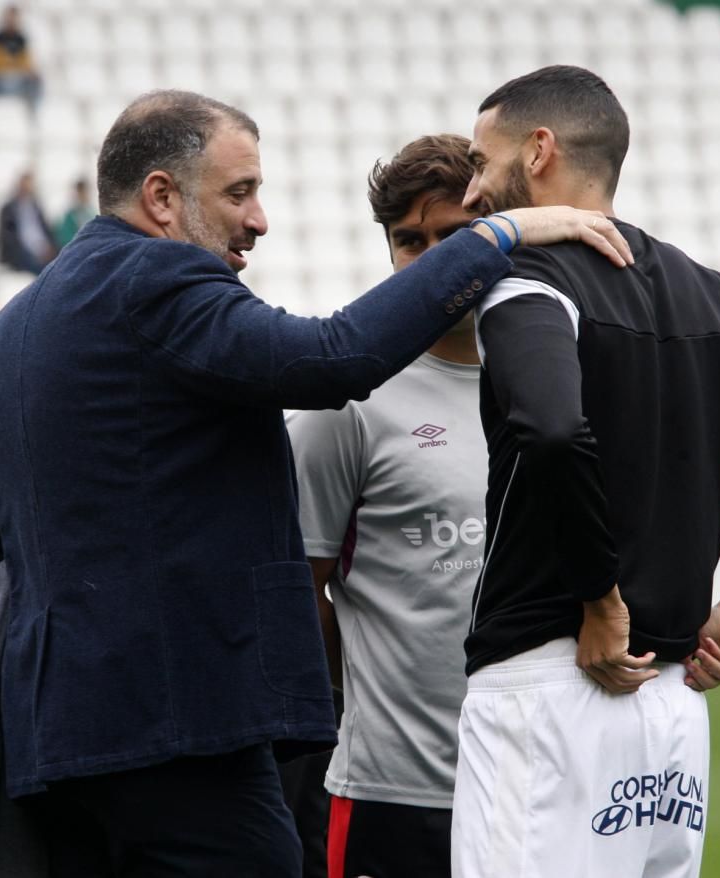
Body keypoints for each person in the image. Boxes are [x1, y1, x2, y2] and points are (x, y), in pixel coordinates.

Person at [0, 89, 632, 877]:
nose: (259, 218)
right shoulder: (159, 284)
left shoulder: (6, 333)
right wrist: (499, 234)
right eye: (240, 192)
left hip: (50, 746)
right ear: (162, 197)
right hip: (184, 735)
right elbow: (331, 358)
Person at [450, 66, 720, 878]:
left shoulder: (524, 280)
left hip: (551, 686)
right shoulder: (713, 297)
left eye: (483, 161)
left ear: (540, 151)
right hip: (673, 710)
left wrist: (599, 600)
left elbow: (551, 431)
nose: (471, 189)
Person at [285, 134, 485, 878]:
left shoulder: (553, 379)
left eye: (454, 237)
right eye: (410, 240)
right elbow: (299, 594)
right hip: (394, 793)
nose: (432, 259)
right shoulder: (345, 401)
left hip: (541, 778)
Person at [0, 5, 42, 105]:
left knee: (36, 81)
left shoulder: (21, 39)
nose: (12, 21)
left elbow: (26, 63)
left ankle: (32, 112)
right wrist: (13, 64)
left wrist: (14, 65)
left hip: (18, 79)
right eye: (10, 17)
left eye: (14, 18)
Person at [0, 171, 58, 273]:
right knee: (42, 268)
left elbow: (46, 230)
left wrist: (50, 247)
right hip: (21, 252)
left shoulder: (36, 207)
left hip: (42, 249)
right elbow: (9, 237)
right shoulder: (9, 209)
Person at [53, 178, 96, 250]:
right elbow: (65, 238)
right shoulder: (71, 215)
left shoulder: (91, 213)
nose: (85, 195)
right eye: (82, 192)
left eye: (87, 192)